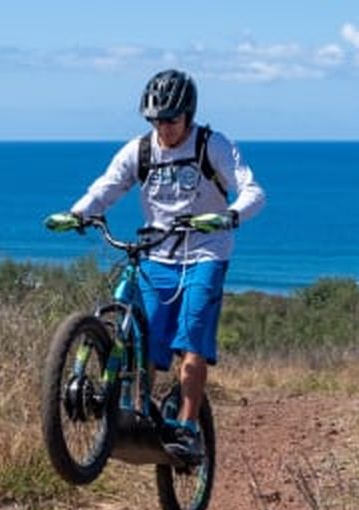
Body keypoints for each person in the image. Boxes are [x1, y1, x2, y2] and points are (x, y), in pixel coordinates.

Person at [64, 69, 265, 460]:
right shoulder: (140, 150)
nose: (163, 127)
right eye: (155, 119)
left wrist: (232, 215)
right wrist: (79, 213)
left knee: (191, 339)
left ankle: (188, 428)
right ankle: (134, 419)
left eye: (171, 119)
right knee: (148, 345)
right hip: (158, 254)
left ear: (188, 115)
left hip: (206, 252)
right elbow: (107, 186)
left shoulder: (212, 145)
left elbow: (253, 190)